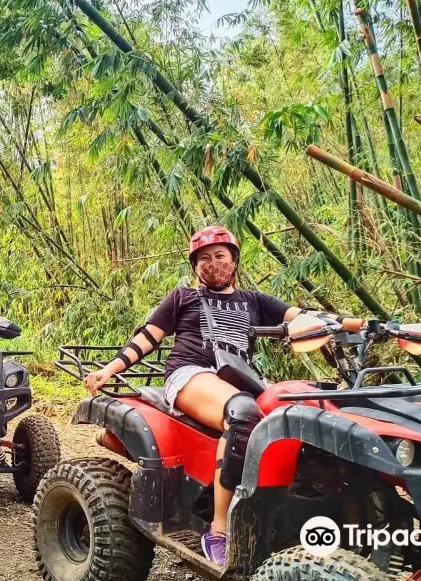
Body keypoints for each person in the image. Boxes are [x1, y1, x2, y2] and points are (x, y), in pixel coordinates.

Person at [83, 225, 323, 566]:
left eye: (220, 256)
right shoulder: (183, 297)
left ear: (234, 260)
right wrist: (109, 369)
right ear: (195, 265)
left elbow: (307, 318)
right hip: (189, 373)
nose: (213, 263)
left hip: (241, 378)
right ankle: (220, 528)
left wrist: (366, 326)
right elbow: (148, 337)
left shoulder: (253, 300)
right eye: (204, 258)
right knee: (242, 413)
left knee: (302, 412)